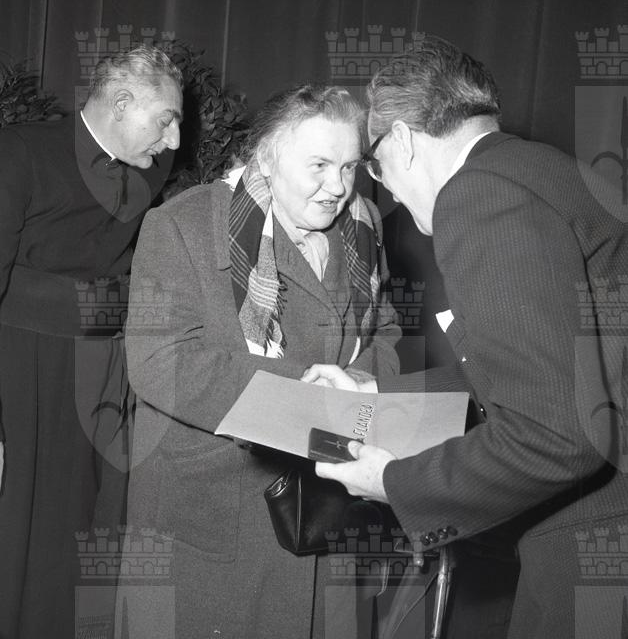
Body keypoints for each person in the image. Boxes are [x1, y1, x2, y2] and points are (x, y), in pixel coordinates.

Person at [303, 37, 628, 639]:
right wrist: (377, 392)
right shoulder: (549, 170)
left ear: (402, 140)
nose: (383, 189)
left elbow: (560, 433)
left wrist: (394, 483)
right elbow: (539, 368)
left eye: (374, 166)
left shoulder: (479, 194)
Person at [122, 84, 401, 638]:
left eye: (349, 166)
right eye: (319, 165)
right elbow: (159, 361)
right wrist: (308, 397)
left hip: (329, 507)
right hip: (218, 512)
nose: (338, 187)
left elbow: (387, 330)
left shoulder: (364, 222)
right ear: (266, 159)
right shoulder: (183, 224)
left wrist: (362, 382)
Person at [0, 44, 182, 639]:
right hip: (19, 369)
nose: (176, 140)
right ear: (121, 102)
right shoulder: (19, 150)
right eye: (166, 120)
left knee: (84, 524)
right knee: (17, 524)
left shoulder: (150, 171)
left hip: (106, 372)